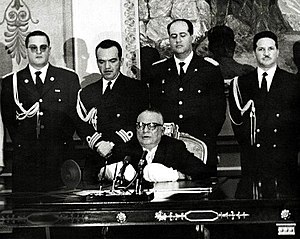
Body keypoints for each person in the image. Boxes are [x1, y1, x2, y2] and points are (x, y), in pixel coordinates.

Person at [1, 30, 86, 194]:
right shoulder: (11, 82)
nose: (38, 52)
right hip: (26, 163)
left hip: (60, 160)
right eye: (33, 48)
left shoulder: (68, 79)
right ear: (26, 50)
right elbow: (10, 120)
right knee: (26, 214)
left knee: (63, 214)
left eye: (43, 47)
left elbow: (74, 117)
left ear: (49, 49)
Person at [150, 19, 226, 176]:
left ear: (192, 37)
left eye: (183, 35)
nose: (178, 40)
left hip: (201, 146)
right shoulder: (158, 71)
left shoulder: (209, 69)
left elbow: (218, 112)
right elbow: (153, 111)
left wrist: (201, 140)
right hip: (168, 149)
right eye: (173, 36)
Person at [229, 30, 300, 199]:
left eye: (270, 49)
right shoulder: (241, 83)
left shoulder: (293, 83)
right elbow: (237, 124)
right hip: (253, 163)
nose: (266, 53)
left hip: (285, 163)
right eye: (261, 49)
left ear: (277, 51)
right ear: (254, 52)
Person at [76, 39, 149, 184]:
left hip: (127, 160)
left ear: (121, 61)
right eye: (101, 62)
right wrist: (98, 144)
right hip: (96, 161)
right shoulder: (87, 92)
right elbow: (82, 124)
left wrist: (111, 144)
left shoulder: (137, 89)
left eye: (112, 61)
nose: (107, 66)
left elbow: (139, 123)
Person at [100, 108, 210, 183]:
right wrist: (106, 173)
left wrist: (178, 175)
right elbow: (96, 173)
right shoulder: (125, 148)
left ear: (162, 130)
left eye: (151, 126)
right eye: (140, 125)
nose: (145, 130)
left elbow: (202, 171)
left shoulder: (174, 147)